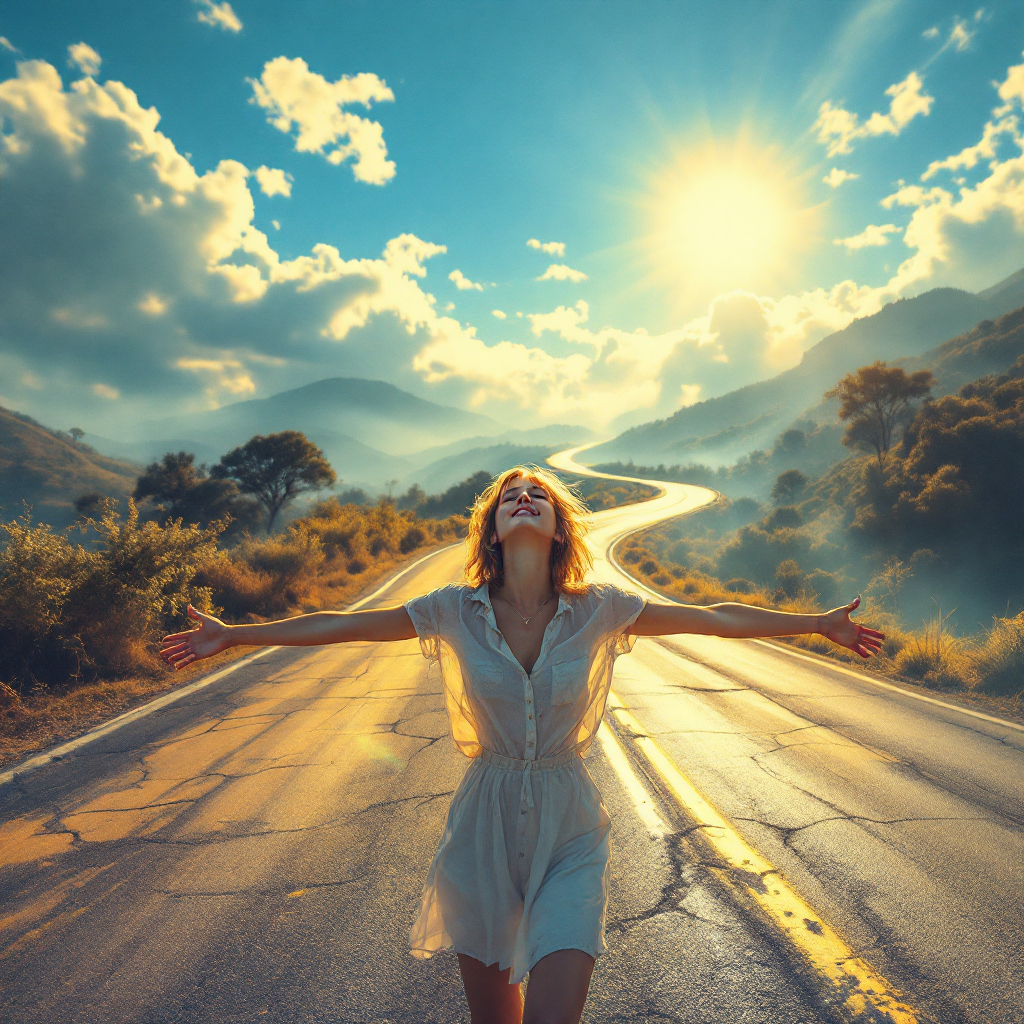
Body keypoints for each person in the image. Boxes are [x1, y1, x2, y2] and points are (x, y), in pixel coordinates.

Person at [160, 465, 883, 1024]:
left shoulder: (601, 609)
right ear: (493, 530)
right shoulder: (450, 611)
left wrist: (815, 625)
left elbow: (711, 618)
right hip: (482, 823)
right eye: (511, 495)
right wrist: (236, 635)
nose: (525, 498)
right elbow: (338, 625)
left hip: (570, 823)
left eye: (538, 493)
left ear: (560, 526)